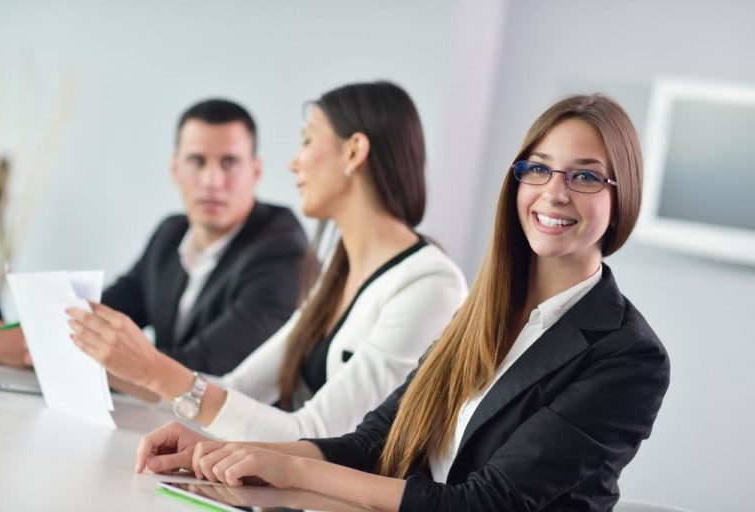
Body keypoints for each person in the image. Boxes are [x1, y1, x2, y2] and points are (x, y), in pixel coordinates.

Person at [134, 94, 671, 511]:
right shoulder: (482, 312)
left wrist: (292, 472)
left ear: (622, 196)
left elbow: (485, 504)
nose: (555, 192)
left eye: (584, 176)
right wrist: (214, 453)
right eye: (538, 168)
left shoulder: (628, 357)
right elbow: (372, 443)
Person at [67, 81, 468, 440]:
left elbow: (316, 435)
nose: (294, 162)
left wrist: (152, 368)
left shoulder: (429, 286)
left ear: (354, 151)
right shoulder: (339, 271)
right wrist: (118, 363)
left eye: (307, 141)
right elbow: (237, 389)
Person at [0, 99, 308, 376]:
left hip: (236, 440)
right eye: (197, 161)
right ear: (175, 169)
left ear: (256, 171)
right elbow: (106, 313)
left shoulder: (280, 248)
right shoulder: (171, 234)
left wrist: (43, 351)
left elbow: (205, 368)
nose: (212, 180)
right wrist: (29, 334)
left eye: (229, 162)